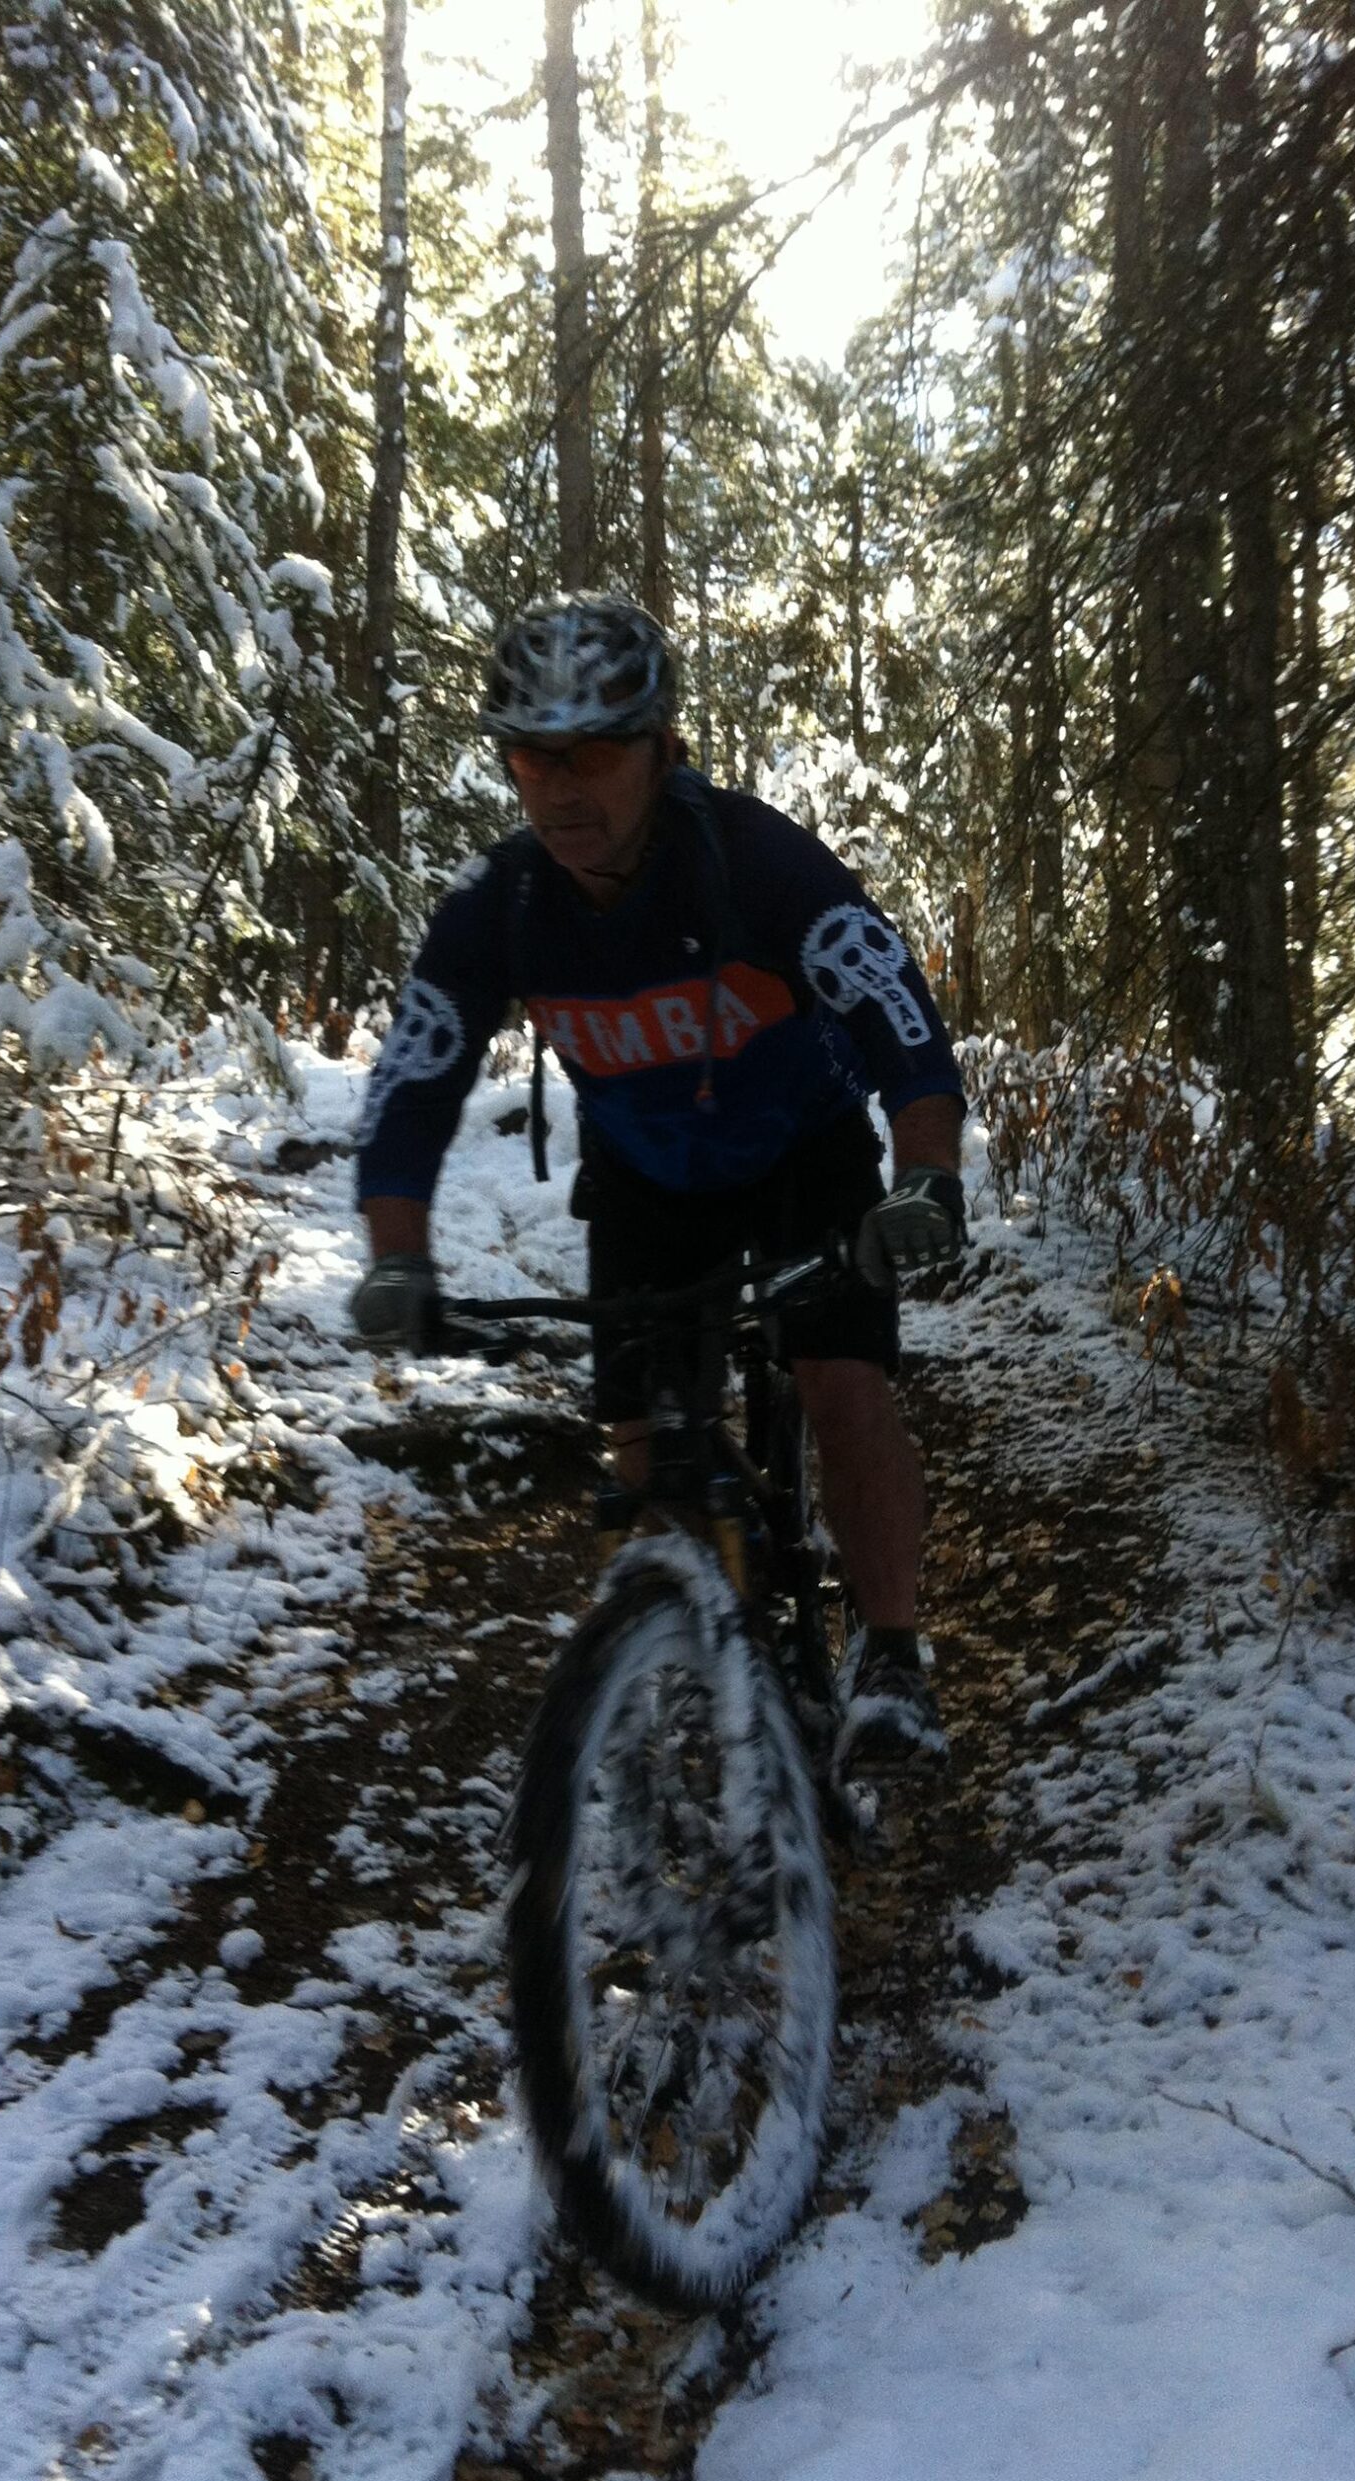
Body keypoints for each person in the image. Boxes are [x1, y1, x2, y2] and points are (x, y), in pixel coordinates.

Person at [349, 593, 967, 1768]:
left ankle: (892, 1652)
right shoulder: (501, 907)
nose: (561, 786)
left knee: (840, 1384)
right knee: (646, 1451)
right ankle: (692, 1645)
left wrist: (925, 1178)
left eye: (592, 752)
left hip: (804, 1151)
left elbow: (896, 1012)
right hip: (645, 1179)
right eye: (534, 753)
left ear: (663, 751)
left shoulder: (756, 861)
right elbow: (412, 1081)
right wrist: (396, 1253)